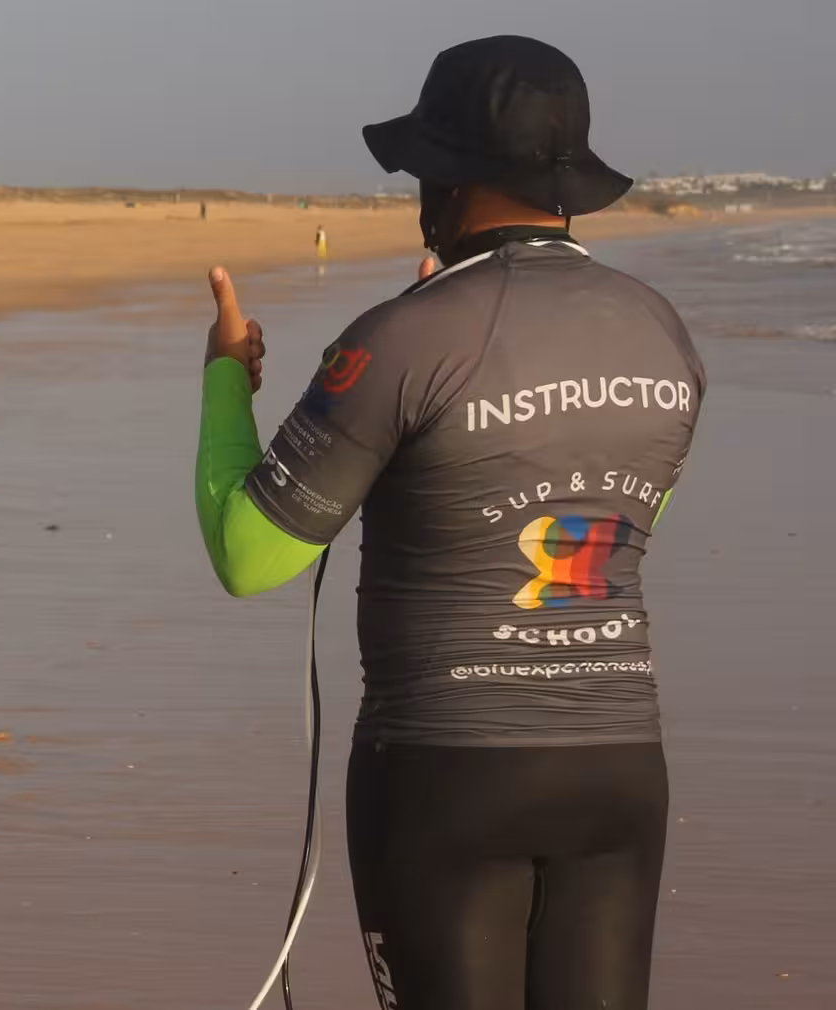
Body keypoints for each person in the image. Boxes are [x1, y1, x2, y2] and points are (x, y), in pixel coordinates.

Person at [191, 37, 704, 1010]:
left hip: (447, 771)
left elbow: (249, 555)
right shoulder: (661, 328)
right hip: (620, 770)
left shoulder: (402, 336)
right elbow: (636, 514)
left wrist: (225, 378)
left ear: (451, 176)